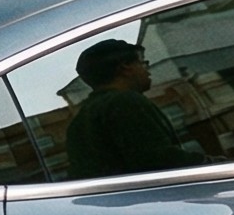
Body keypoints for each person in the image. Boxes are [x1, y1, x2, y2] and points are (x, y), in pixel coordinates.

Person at [65, 39, 203, 180]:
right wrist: (215, 163)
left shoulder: (81, 119)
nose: (147, 71)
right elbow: (162, 162)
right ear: (126, 67)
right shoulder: (124, 102)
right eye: (142, 63)